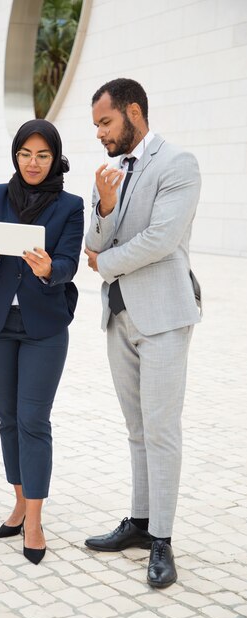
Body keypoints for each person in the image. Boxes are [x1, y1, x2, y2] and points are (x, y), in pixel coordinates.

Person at [84, 78, 202, 588]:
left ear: (134, 111)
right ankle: (138, 521)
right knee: (136, 429)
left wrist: (105, 263)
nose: (101, 135)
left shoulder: (178, 164)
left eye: (106, 123)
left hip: (164, 316)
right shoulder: (107, 172)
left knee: (161, 430)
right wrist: (105, 207)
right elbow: (92, 236)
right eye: (96, 126)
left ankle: (163, 540)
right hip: (119, 315)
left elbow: (162, 239)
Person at [0, 119, 84, 564]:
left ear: (54, 157)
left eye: (42, 155)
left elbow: (69, 262)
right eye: (25, 154)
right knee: (7, 418)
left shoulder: (71, 205)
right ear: (15, 155)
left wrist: (49, 269)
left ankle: (34, 520)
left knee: (34, 420)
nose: (32, 163)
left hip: (44, 328)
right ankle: (19, 501)